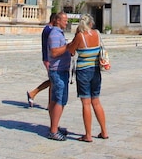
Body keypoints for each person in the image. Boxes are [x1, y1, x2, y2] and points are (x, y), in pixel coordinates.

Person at [64, 14, 109, 142]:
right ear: (91, 23)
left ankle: (88, 135)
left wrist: (75, 38)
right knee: (96, 101)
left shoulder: (80, 36)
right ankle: (104, 131)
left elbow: (71, 51)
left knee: (86, 103)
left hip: (83, 71)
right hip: (96, 70)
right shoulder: (97, 34)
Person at [44, 12, 73, 141]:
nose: (66, 22)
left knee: (56, 99)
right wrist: (68, 47)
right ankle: (53, 131)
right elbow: (55, 52)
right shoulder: (55, 34)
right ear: (57, 21)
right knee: (60, 99)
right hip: (58, 71)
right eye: (64, 20)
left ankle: (54, 126)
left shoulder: (58, 33)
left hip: (60, 70)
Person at [26, 13, 58, 108]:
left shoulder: (49, 29)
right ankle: (33, 93)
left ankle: (49, 103)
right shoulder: (49, 30)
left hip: (48, 57)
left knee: (53, 81)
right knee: (53, 80)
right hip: (48, 58)